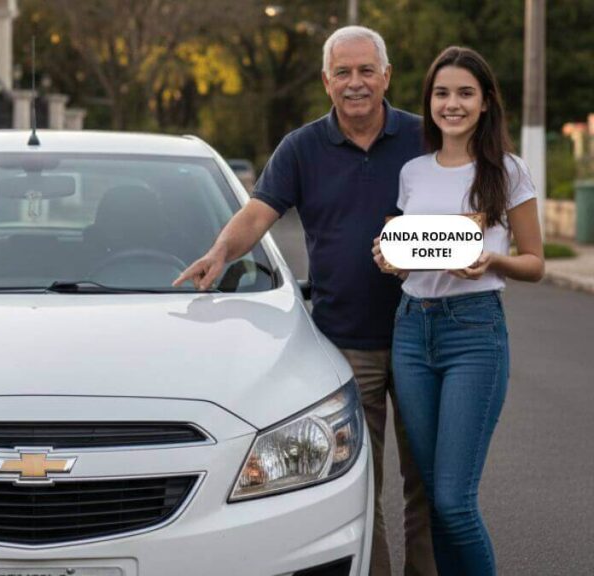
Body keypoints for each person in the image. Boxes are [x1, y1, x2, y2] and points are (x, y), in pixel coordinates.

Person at [174, 25, 436, 576]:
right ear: (326, 81)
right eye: (343, 72)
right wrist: (220, 253)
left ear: (387, 76)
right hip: (345, 346)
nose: (356, 83)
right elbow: (258, 213)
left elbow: (469, 205)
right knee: (361, 484)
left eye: (367, 71)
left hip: (423, 336)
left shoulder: (425, 138)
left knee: (429, 485)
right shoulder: (302, 148)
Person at [373, 46, 544, 575]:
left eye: (465, 93)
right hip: (411, 331)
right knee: (434, 501)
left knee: (453, 501)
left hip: (474, 332)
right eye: (442, 93)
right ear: (429, 103)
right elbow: (411, 249)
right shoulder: (413, 171)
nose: (453, 104)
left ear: (486, 102)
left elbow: (535, 262)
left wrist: (494, 259)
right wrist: (390, 257)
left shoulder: (508, 171)